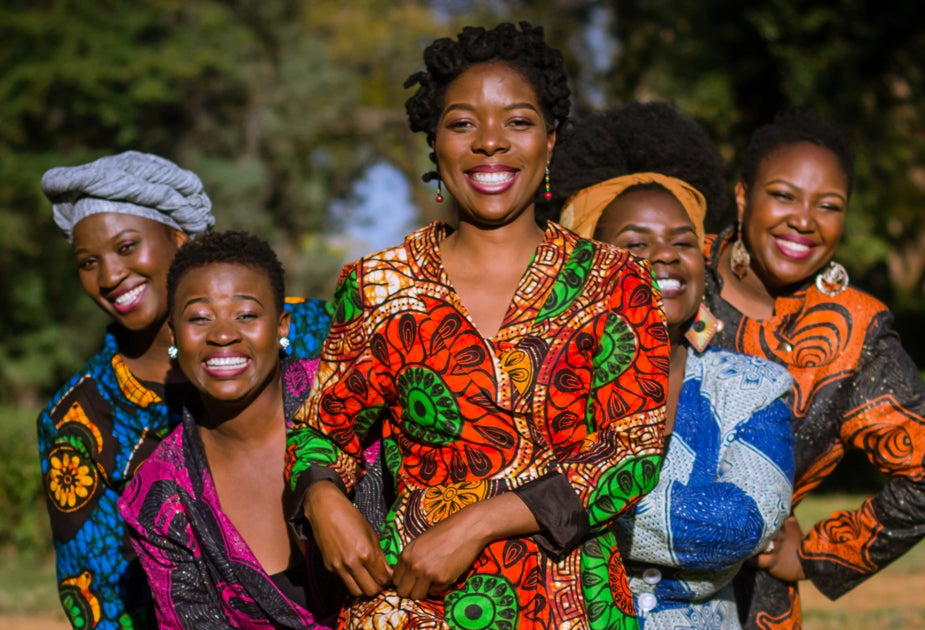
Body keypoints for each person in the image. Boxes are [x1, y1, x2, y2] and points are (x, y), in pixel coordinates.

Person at [283, 22, 670, 629]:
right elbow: (321, 432)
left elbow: (633, 452)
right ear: (434, 145)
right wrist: (323, 496)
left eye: (518, 122)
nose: (491, 143)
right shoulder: (379, 284)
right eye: (463, 123)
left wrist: (479, 521)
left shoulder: (615, 282)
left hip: (572, 606)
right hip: (411, 605)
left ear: (551, 141)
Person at [37, 151, 333, 629]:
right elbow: (96, 592)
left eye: (127, 246)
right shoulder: (80, 419)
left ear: (178, 238)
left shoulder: (309, 329)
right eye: (89, 262)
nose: (110, 276)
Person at [554, 100, 795, 628]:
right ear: (589, 268)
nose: (664, 254)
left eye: (682, 241)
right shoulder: (547, 382)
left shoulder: (756, 388)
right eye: (635, 243)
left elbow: (743, 522)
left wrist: (557, 504)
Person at [703, 108, 925, 629]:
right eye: (783, 195)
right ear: (743, 196)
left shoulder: (856, 333)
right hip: (620, 591)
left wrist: (815, 554)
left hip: (753, 606)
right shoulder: (675, 270)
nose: (804, 220)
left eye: (828, 206)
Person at [118, 230, 342, 628]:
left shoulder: (349, 402)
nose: (223, 335)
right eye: (200, 318)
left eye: (246, 315)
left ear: (282, 326)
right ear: (174, 335)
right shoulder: (159, 497)